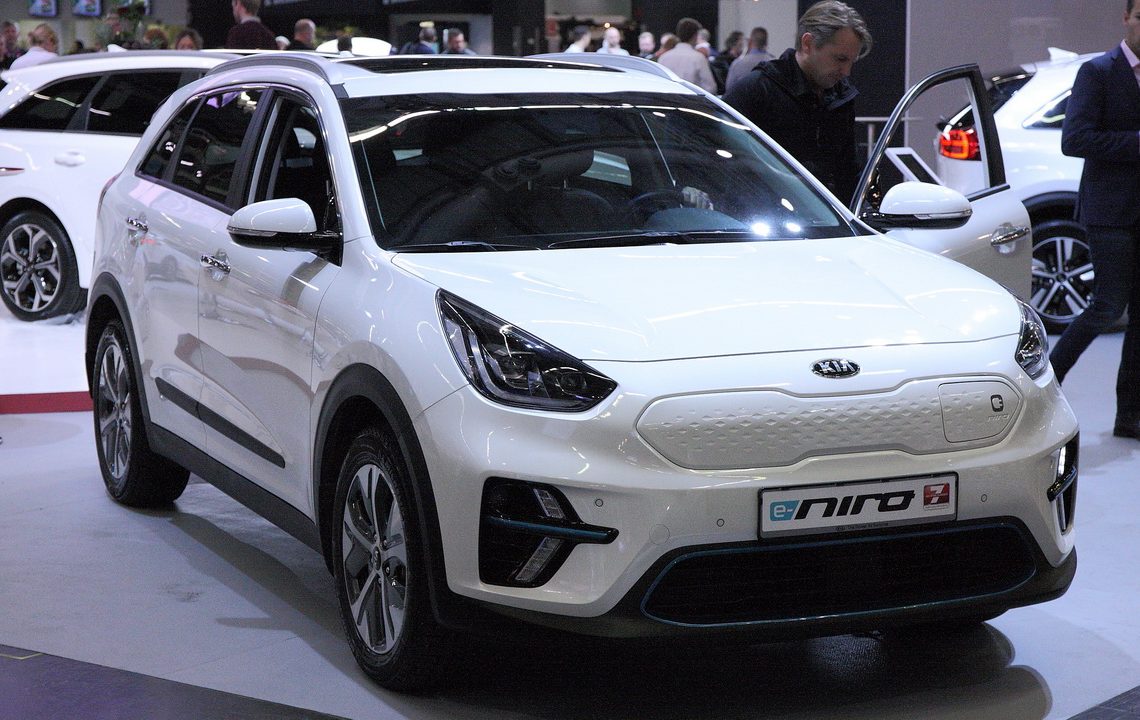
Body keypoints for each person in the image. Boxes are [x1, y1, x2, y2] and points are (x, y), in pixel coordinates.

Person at [1048, 0, 1140, 440]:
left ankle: (1130, 417)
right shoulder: (1098, 72)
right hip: (1110, 211)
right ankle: (1043, 385)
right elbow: (1075, 139)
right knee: (1107, 305)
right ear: (1126, 18)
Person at [723, 0, 871, 202]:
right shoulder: (756, 91)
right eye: (840, 59)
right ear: (808, 43)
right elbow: (723, 168)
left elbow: (848, 174)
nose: (846, 72)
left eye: (851, 62)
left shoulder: (841, 98)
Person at [656, 18, 717, 94]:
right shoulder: (698, 58)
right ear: (695, 36)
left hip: (668, 99)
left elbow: (659, 83)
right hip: (691, 99)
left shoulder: (664, 57)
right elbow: (710, 87)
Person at [725, 26, 774, 93]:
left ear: (750, 42)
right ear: (766, 43)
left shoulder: (738, 63)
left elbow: (729, 89)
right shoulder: (773, 63)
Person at [710, 30, 745, 94]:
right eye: (741, 44)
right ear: (735, 43)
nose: (743, 45)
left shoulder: (721, 57)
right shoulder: (725, 60)